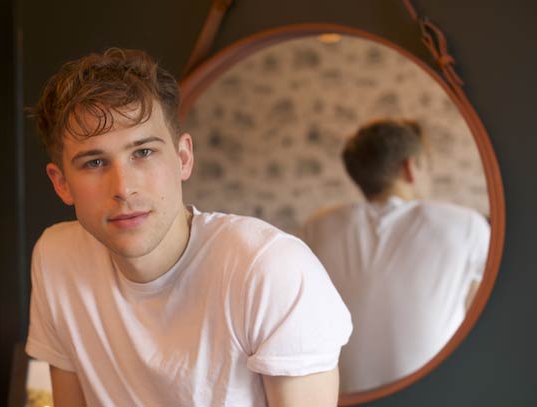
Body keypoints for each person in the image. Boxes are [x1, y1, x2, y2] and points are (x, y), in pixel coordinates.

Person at [25, 48, 352, 406]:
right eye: (95, 162)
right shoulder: (56, 257)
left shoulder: (271, 269)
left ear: (183, 158)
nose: (123, 187)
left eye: (143, 153)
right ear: (61, 184)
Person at [301, 119, 490, 393]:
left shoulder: (318, 227)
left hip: (342, 393)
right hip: (437, 392)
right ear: (410, 168)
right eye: (427, 166)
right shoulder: (465, 225)